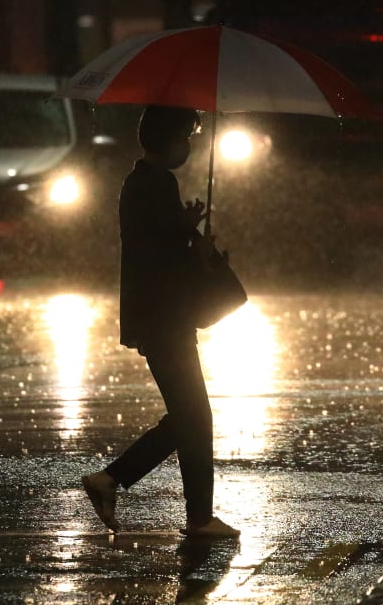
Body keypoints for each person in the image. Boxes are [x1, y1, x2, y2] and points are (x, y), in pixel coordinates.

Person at [82, 105, 240, 538]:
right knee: (194, 416)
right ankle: (190, 514)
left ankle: (125, 485)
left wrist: (187, 233)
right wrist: (187, 234)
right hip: (162, 315)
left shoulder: (145, 183)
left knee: (189, 415)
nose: (188, 147)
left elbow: (155, 246)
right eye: (185, 137)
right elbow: (156, 255)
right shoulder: (151, 184)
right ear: (168, 140)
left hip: (159, 314)